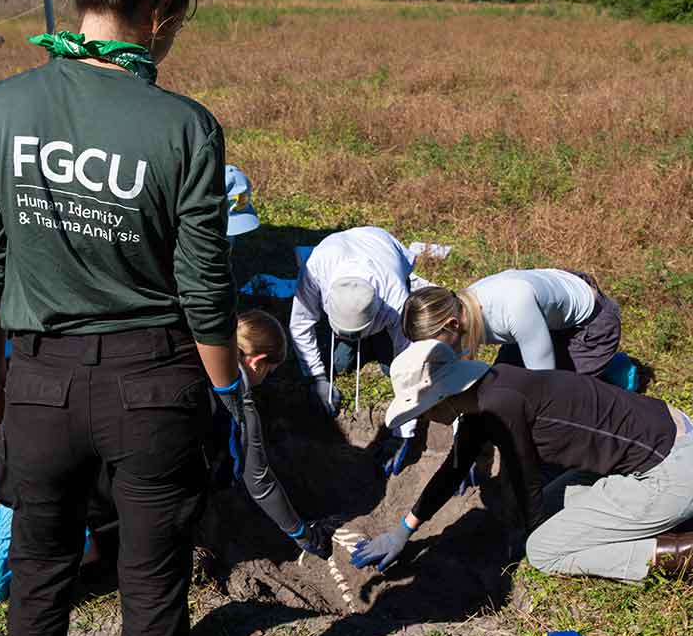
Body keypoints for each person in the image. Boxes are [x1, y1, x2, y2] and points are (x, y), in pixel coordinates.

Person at [0, 0, 242, 636]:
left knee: (38, 569)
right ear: (157, 12)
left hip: (36, 376)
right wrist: (228, 392)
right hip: (153, 386)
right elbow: (204, 287)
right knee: (150, 583)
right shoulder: (186, 126)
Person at [0, 163, 262, 603]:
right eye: (223, 233)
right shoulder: (150, 253)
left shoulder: (128, 226)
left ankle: (42, 521)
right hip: (96, 375)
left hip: (49, 373)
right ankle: (59, 538)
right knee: (127, 488)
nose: (227, 245)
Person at [350, 339, 693, 582]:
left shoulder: (501, 406)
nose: (426, 419)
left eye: (423, 412)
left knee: (545, 551)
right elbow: (455, 468)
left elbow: (525, 478)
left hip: (670, 468)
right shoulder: (489, 391)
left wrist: (527, 539)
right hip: (664, 438)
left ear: (443, 401)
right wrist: (403, 530)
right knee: (553, 503)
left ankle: (680, 553)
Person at [289, 226, 421, 475]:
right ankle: (353, 341)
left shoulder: (395, 296)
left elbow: (412, 361)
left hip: (382, 247)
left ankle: (376, 340)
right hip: (338, 250)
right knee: (338, 364)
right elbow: (300, 324)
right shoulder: (316, 269)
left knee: (391, 367)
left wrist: (402, 433)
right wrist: (317, 377)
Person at [220, 309, 332, 558]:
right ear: (257, 361)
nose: (267, 377)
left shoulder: (202, 353)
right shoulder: (241, 401)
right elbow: (259, 481)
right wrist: (302, 533)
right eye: (269, 370)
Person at [401, 268, 622, 378]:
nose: (430, 350)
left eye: (431, 343)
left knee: (568, 402)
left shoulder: (513, 308)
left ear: (452, 324)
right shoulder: (463, 307)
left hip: (591, 326)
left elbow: (546, 384)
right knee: (504, 384)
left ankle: (615, 379)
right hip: (544, 317)